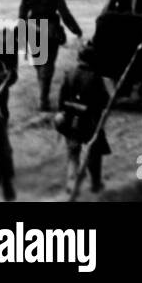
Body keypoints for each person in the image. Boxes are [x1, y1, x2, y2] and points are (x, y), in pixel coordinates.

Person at [18, 0, 81, 112]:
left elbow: (21, 15)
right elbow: (64, 13)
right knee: (48, 64)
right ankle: (43, 98)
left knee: (39, 63)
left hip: (33, 28)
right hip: (50, 29)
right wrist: (75, 29)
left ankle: (42, 95)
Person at [55, 43, 110, 195]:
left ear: (79, 57)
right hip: (89, 121)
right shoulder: (95, 77)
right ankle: (95, 183)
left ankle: (72, 185)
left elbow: (61, 99)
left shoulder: (69, 73)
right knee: (94, 152)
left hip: (70, 119)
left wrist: (64, 112)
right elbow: (103, 101)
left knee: (73, 153)